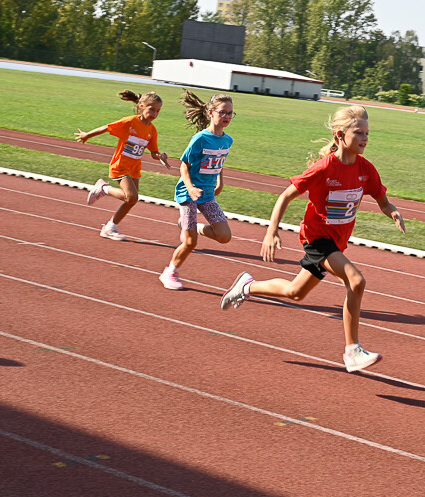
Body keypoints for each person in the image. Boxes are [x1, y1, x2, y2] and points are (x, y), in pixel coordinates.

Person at [219, 104, 405, 373]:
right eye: (359, 132)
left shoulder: (366, 170)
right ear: (340, 135)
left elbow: (383, 201)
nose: (365, 138)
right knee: (356, 280)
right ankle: (352, 351)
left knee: (296, 292)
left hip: (336, 242)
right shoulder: (324, 168)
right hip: (317, 239)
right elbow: (285, 196)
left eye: (367, 133)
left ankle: (247, 286)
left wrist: (393, 212)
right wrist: (272, 231)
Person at [160, 91, 235, 290]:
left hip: (207, 195)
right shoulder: (200, 139)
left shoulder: (227, 141)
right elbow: (184, 164)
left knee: (224, 236)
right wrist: (191, 187)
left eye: (230, 113)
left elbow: (219, 162)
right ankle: (170, 272)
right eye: (222, 112)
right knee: (190, 242)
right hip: (188, 194)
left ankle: (190, 225)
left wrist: (220, 181)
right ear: (211, 113)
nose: (226, 117)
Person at [75, 90, 169, 241]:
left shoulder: (152, 130)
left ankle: (110, 227)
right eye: (151, 109)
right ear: (142, 107)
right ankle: (104, 189)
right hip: (120, 165)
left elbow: (153, 151)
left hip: (134, 168)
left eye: (158, 111)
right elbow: (107, 127)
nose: (155, 114)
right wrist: (87, 135)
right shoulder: (130, 122)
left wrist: (160, 156)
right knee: (131, 197)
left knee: (131, 200)